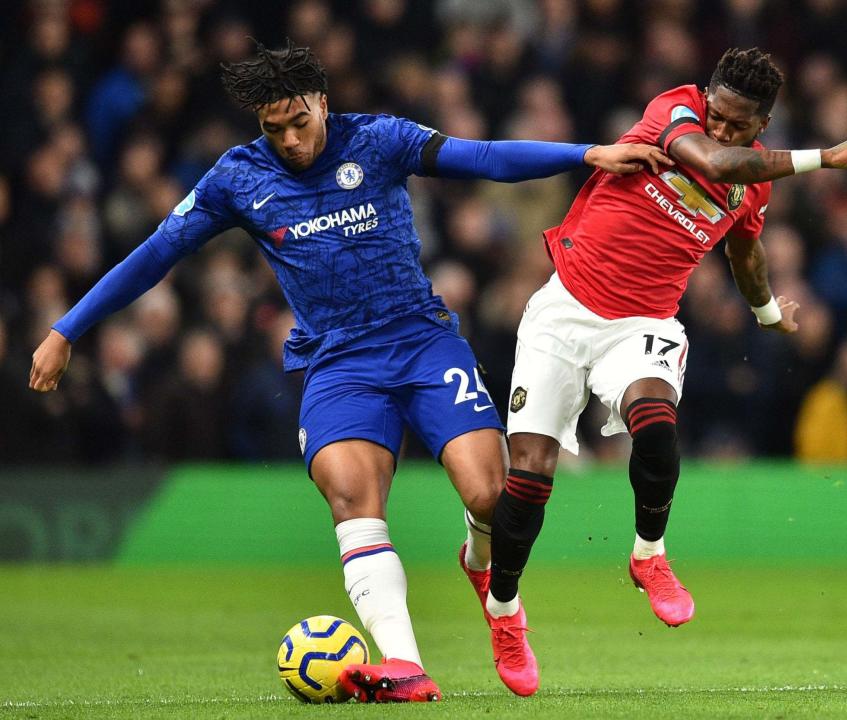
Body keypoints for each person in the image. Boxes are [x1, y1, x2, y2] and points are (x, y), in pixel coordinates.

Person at [27, 40, 669, 702]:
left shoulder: (378, 141)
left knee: (487, 497)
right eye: (273, 129)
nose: (289, 141)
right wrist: (66, 328)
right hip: (337, 362)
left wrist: (585, 154)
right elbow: (156, 253)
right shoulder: (237, 178)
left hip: (422, 342)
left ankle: (492, 588)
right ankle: (406, 665)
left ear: (323, 104)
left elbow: (481, 158)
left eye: (299, 122)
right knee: (351, 499)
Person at [482, 47, 847, 692]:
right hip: (564, 310)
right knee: (530, 480)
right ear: (706, 97)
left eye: (739, 125)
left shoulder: (752, 182)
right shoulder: (674, 112)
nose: (723, 130)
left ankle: (649, 554)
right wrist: (825, 158)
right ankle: (505, 612)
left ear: (763, 124)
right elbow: (709, 159)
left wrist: (765, 315)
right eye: (719, 115)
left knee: (656, 428)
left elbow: (746, 253)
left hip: (644, 323)